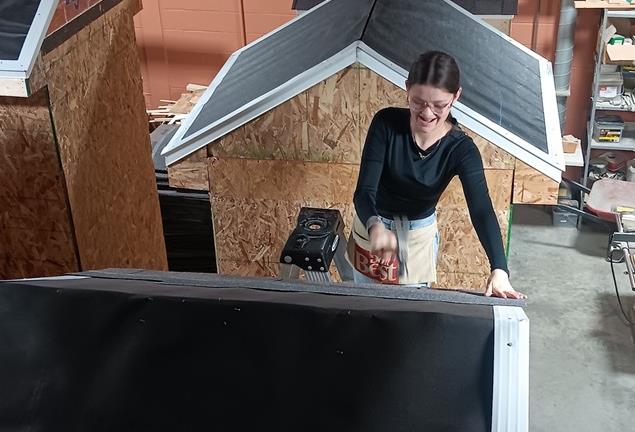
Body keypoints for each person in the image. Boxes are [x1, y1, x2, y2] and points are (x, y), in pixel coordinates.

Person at [350, 50, 525, 300]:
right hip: (372, 227)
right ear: (407, 88)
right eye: (418, 102)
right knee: (363, 305)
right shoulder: (386, 123)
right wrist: (375, 226)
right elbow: (364, 192)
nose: (428, 114)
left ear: (456, 97)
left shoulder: (461, 149)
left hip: (416, 238)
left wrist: (499, 269)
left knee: (409, 314)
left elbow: (482, 210)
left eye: (439, 105)